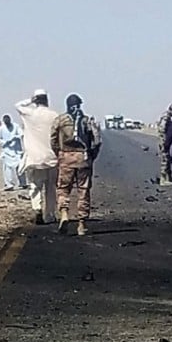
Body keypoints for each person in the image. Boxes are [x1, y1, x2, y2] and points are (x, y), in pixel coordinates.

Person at [50, 93, 102, 236]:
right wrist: (92, 156)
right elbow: (97, 141)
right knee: (83, 191)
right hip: (83, 159)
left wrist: (60, 154)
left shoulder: (60, 120)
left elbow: (53, 140)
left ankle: (65, 213)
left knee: (63, 189)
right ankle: (82, 224)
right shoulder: (87, 120)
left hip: (66, 157)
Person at [15, 89, 59, 225]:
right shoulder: (54, 115)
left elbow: (18, 105)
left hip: (34, 158)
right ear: (47, 100)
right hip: (52, 158)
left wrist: (30, 100)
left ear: (35, 100)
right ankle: (50, 215)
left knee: (35, 186)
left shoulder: (29, 114)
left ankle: (37, 208)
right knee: (51, 188)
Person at [0, 114, 26, 191]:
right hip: (7, 151)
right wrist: (5, 142)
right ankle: (9, 184)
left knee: (20, 167)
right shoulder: (1, 129)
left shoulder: (16, 126)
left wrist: (15, 137)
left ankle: (23, 183)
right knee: (7, 169)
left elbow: (21, 134)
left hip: (17, 151)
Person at [157, 103, 172, 185]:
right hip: (163, 141)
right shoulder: (166, 117)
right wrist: (165, 141)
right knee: (165, 160)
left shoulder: (168, 116)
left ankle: (169, 177)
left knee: (168, 159)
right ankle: (163, 179)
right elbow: (162, 129)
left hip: (165, 141)